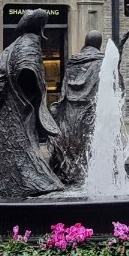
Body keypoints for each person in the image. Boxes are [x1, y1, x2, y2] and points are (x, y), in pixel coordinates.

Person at [0, 8, 64, 198]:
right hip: (19, 106)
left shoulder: (13, 46)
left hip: (12, 105)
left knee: (8, 145)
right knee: (20, 145)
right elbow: (26, 69)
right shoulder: (29, 43)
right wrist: (31, 96)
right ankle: (33, 182)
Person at [49, 30, 105, 185]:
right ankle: (87, 175)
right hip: (90, 111)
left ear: (86, 42)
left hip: (70, 112)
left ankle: (70, 173)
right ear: (99, 44)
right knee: (89, 143)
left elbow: (64, 90)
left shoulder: (73, 62)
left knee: (72, 143)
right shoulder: (102, 61)